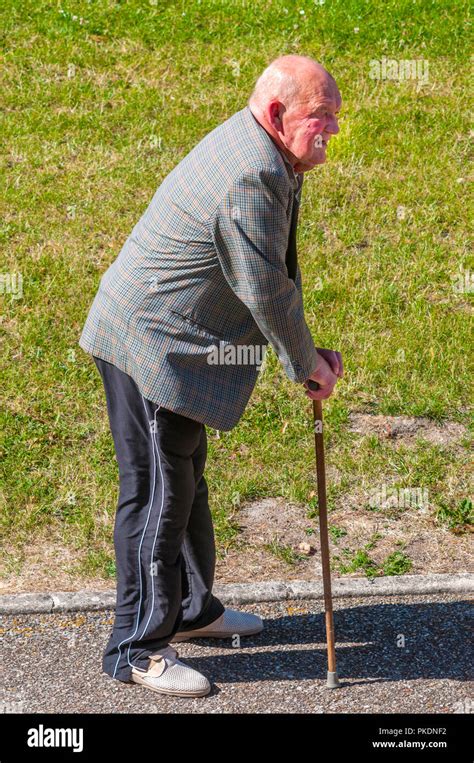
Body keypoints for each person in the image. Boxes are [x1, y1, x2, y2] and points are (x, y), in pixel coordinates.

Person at [79, 54, 344, 698]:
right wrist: (306, 363)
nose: (332, 132)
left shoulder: (270, 151)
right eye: (322, 119)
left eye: (336, 119)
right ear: (279, 114)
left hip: (177, 341)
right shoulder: (253, 171)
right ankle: (136, 647)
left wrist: (304, 350)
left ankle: (191, 608)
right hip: (151, 345)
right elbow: (265, 291)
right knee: (158, 492)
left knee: (185, 475)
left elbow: (276, 270)